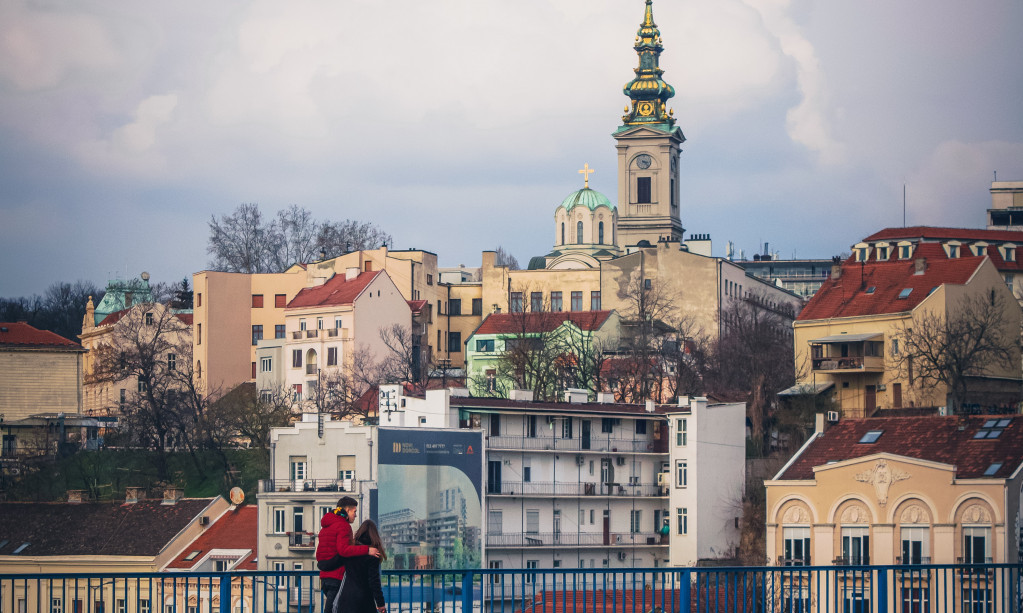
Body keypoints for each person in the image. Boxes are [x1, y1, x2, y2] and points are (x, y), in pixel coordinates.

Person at [316, 497, 381, 613]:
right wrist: (367, 550)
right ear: (347, 510)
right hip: (337, 577)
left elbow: (320, 554)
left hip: (325, 577)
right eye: (354, 511)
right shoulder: (343, 526)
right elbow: (344, 550)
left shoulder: (327, 525)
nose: (355, 515)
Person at [335, 520, 387, 613]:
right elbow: (374, 582)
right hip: (363, 601)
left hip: (346, 599)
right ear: (375, 535)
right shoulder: (373, 554)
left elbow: (334, 563)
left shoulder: (350, 550)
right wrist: (380, 603)